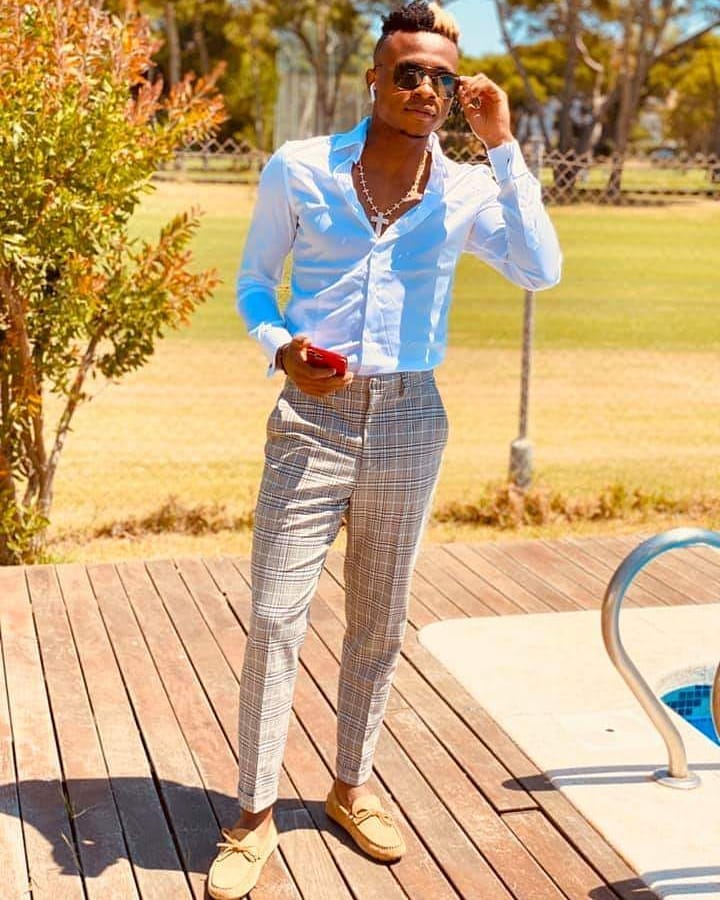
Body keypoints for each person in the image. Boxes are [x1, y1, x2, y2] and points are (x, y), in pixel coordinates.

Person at [207, 2, 561, 897]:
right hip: (310, 417)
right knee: (275, 617)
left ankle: (350, 787)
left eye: (443, 77)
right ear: (374, 79)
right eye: (409, 73)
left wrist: (503, 146)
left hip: (411, 417)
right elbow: (253, 281)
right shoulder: (300, 169)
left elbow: (540, 269)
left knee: (379, 619)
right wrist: (280, 348)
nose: (427, 89)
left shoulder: (466, 190)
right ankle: (252, 813)